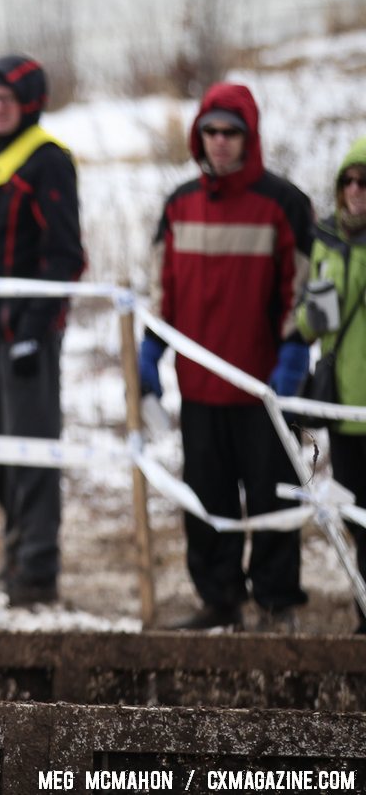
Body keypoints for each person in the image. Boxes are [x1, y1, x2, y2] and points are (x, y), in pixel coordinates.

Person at [140, 82, 313, 631]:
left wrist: (293, 351)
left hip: (264, 388)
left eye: (230, 132)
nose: (219, 142)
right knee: (206, 499)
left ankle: (277, 602)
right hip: (199, 389)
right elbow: (161, 287)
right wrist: (150, 348)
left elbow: (302, 289)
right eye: (210, 131)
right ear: (199, 135)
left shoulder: (284, 204)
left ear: (248, 137)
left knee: (273, 499)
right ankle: (219, 600)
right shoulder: (179, 204)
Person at [0, 54, 84, 607]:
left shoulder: (49, 163)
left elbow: (66, 253)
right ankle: (14, 554)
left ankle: (37, 572)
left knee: (31, 453)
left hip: (29, 331)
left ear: (30, 104)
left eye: (6, 100)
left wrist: (34, 329)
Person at [295, 135, 366, 634]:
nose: (357, 189)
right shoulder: (325, 237)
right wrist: (301, 321)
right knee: (358, 517)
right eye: (349, 180)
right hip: (344, 405)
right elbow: (316, 320)